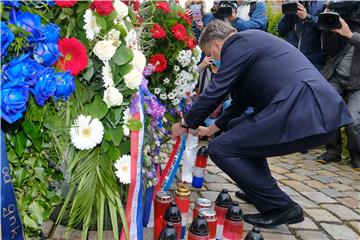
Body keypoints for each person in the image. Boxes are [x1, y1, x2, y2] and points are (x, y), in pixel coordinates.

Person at [172, 20, 352, 228]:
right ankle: (260, 190)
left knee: (221, 148)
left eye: (211, 55)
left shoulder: (240, 43)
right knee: (239, 132)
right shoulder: (248, 46)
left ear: (217, 46)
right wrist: (211, 128)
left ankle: (283, 207)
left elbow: (216, 91)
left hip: (305, 108)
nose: (213, 60)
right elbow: (241, 102)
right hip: (304, 109)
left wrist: (185, 124)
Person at [317, 7, 360, 170]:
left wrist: (350, 35)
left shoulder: (350, 27)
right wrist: (330, 28)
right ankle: (333, 151)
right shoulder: (344, 20)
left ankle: (356, 155)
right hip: (337, 74)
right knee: (327, 110)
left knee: (354, 121)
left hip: (358, 82)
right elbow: (330, 50)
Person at [278, 1, 325, 70]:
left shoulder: (321, 5)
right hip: (291, 58)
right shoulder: (293, 4)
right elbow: (281, 31)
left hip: (313, 60)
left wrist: (307, 17)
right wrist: (288, 14)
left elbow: (324, 25)